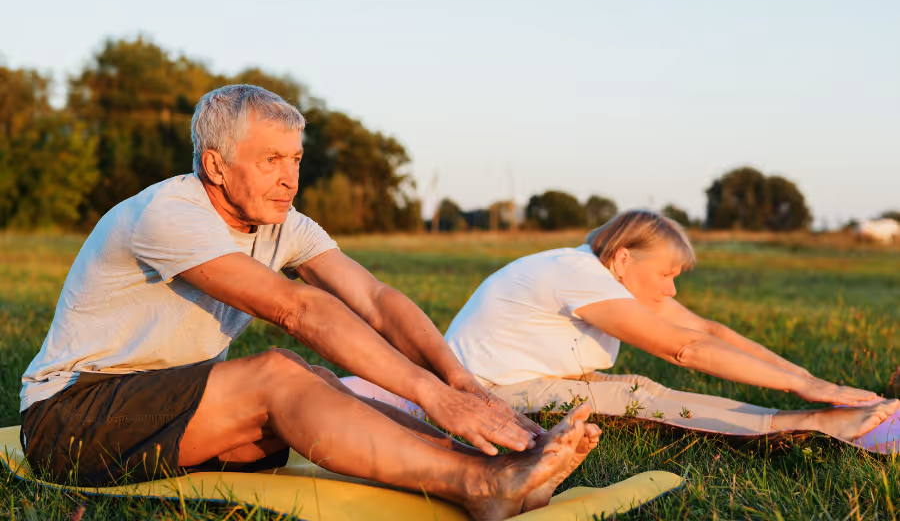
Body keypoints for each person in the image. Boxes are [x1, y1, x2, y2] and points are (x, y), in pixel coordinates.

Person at [18, 84, 600, 521]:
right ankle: (479, 487)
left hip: (171, 408)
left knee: (310, 377)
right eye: (270, 160)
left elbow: (374, 298)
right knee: (277, 373)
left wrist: (459, 381)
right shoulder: (168, 213)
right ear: (216, 165)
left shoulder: (281, 223)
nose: (289, 178)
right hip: (72, 419)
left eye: (295, 159)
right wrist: (431, 395)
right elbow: (297, 310)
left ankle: (500, 470)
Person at [348, 211, 898, 440]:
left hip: (518, 382)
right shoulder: (577, 274)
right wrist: (811, 390)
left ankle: (812, 416)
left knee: (643, 391)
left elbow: (709, 331)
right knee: (647, 396)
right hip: (485, 395)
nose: (672, 290)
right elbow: (686, 349)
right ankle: (810, 426)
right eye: (666, 275)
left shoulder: (598, 272)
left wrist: (808, 376)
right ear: (622, 259)